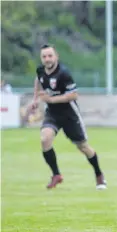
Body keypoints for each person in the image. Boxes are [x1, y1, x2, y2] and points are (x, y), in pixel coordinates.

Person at [27, 44, 106, 190]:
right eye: (44, 56)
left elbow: (74, 95)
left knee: (83, 147)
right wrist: (35, 99)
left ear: (56, 56)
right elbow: (38, 81)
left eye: (50, 56)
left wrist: (51, 99)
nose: (47, 59)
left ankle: (99, 174)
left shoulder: (63, 73)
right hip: (52, 114)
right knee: (45, 138)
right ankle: (56, 175)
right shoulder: (40, 70)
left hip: (69, 114)